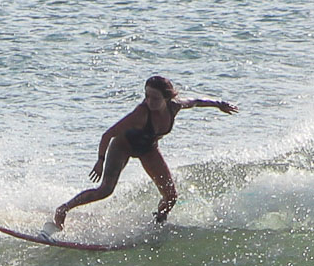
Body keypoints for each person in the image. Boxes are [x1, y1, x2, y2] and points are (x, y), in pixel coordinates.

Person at [49, 76, 236, 232]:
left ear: (167, 98)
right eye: (147, 96)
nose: (149, 101)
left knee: (171, 197)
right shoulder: (140, 113)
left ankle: (158, 223)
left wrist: (219, 104)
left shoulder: (174, 106)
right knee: (105, 189)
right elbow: (107, 134)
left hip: (148, 149)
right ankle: (63, 209)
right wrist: (100, 160)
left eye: (155, 98)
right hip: (123, 146)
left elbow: (196, 101)